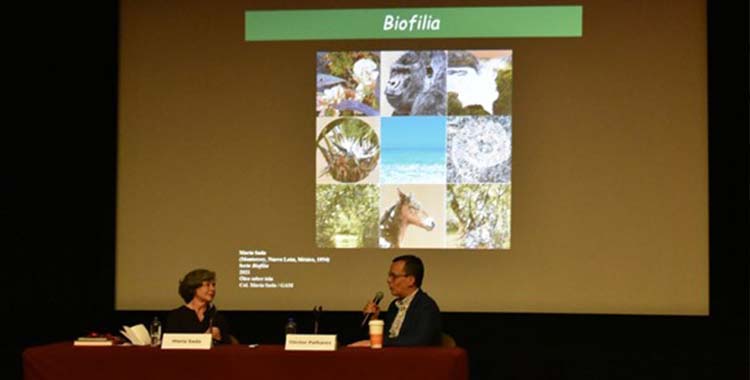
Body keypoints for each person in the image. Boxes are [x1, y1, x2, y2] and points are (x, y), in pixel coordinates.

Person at [349, 255, 442, 347]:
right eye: (389, 276)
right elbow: (388, 338)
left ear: (411, 280)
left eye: (394, 276)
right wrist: (374, 320)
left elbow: (419, 341)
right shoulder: (394, 306)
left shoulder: (426, 306)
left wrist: (379, 342)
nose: (388, 280)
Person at [165, 269, 236, 344]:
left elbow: (228, 348)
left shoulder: (217, 318)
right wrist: (204, 338)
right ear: (194, 288)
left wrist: (219, 338)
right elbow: (171, 344)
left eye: (213, 285)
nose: (212, 289)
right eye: (208, 285)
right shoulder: (176, 316)